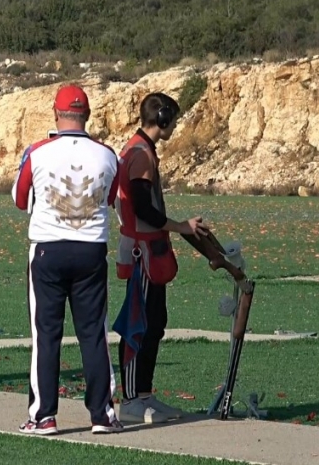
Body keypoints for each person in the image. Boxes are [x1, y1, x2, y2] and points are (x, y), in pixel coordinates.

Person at [12, 85, 123, 435]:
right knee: (93, 334)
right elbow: (111, 198)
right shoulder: (108, 154)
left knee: (46, 334)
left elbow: (19, 197)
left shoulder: (38, 151)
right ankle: (102, 414)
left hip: (48, 248)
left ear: (56, 114)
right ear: (87, 115)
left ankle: (43, 415)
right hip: (91, 249)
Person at [112, 92, 208, 423]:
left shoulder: (138, 149)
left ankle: (143, 394)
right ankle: (132, 399)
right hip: (144, 253)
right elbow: (143, 208)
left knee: (153, 323)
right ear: (163, 120)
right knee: (140, 324)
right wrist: (181, 226)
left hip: (147, 250)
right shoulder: (141, 154)